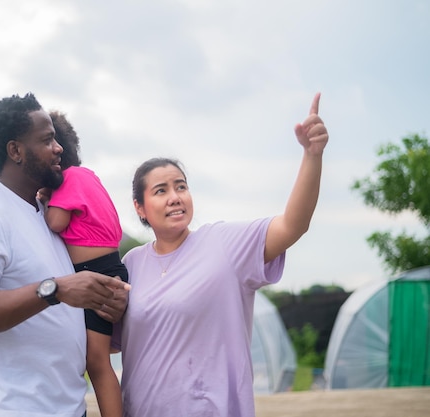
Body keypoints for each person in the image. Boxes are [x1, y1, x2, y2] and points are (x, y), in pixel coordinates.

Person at [112, 93, 329, 417]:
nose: (175, 197)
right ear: (139, 208)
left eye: (181, 186)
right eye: (161, 190)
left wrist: (312, 156)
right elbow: (116, 344)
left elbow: (293, 226)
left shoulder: (224, 245)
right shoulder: (131, 265)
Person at [0, 93, 130, 417]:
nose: (58, 148)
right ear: (15, 151)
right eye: (47, 140)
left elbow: (71, 300)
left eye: (56, 139)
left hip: (67, 409)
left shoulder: (48, 214)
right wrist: (54, 289)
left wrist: (106, 300)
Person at [38, 111, 128, 417]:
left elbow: (55, 221)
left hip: (97, 273)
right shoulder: (88, 176)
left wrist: (47, 197)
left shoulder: (69, 178)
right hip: (107, 267)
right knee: (98, 362)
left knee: (98, 364)